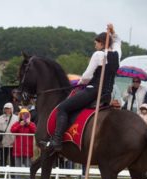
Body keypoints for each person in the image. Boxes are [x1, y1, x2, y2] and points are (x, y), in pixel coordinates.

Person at [42, 23, 121, 153]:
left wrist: (80, 81)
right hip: (107, 94)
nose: (95, 46)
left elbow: (87, 76)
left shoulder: (98, 55)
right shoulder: (117, 54)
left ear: (101, 44)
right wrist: (113, 32)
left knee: (63, 108)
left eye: (96, 43)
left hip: (93, 91)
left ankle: (56, 140)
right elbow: (117, 41)